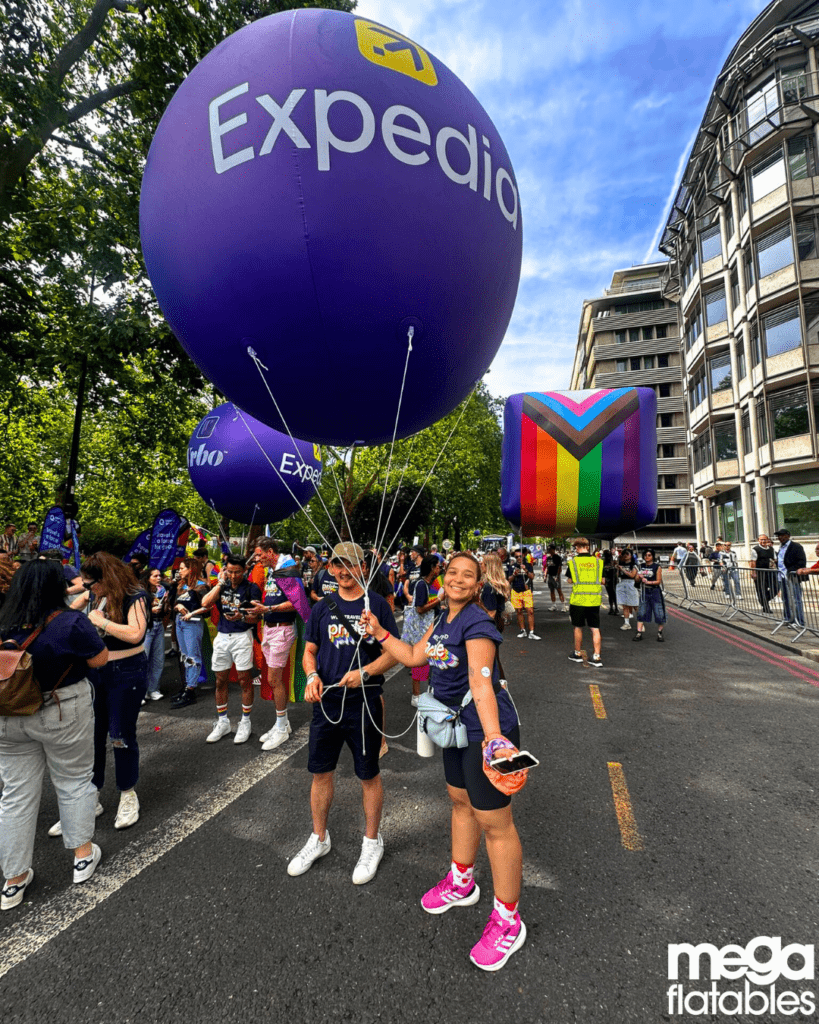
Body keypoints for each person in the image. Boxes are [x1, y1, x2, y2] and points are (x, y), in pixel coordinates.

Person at [362, 551, 527, 972]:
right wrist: (381, 631)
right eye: (451, 572)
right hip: (454, 727)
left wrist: (494, 742)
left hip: (483, 730)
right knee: (459, 801)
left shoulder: (476, 623)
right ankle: (462, 880)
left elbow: (481, 682)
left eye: (466, 575)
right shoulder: (443, 620)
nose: (456, 579)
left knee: (495, 823)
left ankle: (509, 922)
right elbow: (417, 657)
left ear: (477, 585)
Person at [0, 561, 110, 910]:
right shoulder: (70, 621)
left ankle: (13, 879)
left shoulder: (4, 620)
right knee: (74, 780)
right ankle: (81, 857)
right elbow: (99, 660)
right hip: (61, 707)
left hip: (9, 714)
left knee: (15, 795)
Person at [286, 543, 398, 885]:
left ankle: (371, 841)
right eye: (338, 564)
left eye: (351, 564)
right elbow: (309, 651)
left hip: (364, 702)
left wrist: (364, 673)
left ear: (362, 566)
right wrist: (313, 676)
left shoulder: (377, 605)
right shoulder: (321, 609)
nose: (344, 570)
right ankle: (319, 838)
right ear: (331, 568)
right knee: (321, 773)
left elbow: (393, 653)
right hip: (328, 705)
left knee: (368, 774)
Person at [62, 551, 148, 832]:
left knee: (120, 734)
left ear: (105, 578)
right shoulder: (96, 596)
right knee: (92, 736)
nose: (87, 589)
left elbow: (136, 634)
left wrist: (101, 622)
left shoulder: (135, 595)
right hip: (96, 673)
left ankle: (127, 792)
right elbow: (72, 611)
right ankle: (91, 796)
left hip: (126, 672)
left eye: (90, 584)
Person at [199, 555, 262, 744]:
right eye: (230, 571)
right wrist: (219, 584)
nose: (233, 576)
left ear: (244, 571)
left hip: (242, 636)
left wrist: (241, 618)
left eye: (237, 572)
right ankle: (223, 721)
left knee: (244, 679)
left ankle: (245, 721)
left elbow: (256, 617)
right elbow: (205, 603)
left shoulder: (252, 588)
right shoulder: (222, 585)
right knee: (220, 680)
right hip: (222, 636)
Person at [252, 538, 301, 751]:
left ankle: (281, 728)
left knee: (273, 679)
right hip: (270, 628)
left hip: (282, 628)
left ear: (270, 552)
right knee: (272, 680)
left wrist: (268, 610)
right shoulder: (274, 571)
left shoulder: (287, 570)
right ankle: (283, 723)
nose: (256, 559)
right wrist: (261, 609)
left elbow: (297, 602)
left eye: (258, 554)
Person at [169, 556, 209, 708]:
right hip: (180, 622)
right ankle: (187, 685)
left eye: (182, 568)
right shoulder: (181, 585)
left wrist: (192, 613)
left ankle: (190, 690)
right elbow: (173, 603)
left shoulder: (201, 586)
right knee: (185, 655)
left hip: (193, 623)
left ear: (191, 569)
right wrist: (178, 607)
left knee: (193, 656)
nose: (179, 571)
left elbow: (208, 606)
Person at [402, 555, 442, 706]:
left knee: (430, 659)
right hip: (421, 629)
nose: (439, 569)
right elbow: (420, 609)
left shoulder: (428, 584)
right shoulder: (421, 584)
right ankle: (416, 695)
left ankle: (426, 693)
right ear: (432, 567)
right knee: (420, 661)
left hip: (427, 627)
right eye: (437, 566)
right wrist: (439, 600)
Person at [565, 538, 603, 666]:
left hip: (578, 600)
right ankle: (597, 657)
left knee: (578, 627)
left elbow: (570, 580)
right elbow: (602, 580)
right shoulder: (598, 562)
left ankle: (577, 654)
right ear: (588, 546)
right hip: (594, 600)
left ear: (577, 547)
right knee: (595, 628)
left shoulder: (573, 562)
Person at [140, 567, 167, 702]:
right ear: (148, 578)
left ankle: (153, 689)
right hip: (147, 626)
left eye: (159, 575)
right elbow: (137, 610)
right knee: (144, 659)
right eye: (155, 576)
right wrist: (151, 610)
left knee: (158, 659)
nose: (158, 578)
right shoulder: (141, 592)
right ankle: (141, 692)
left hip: (159, 625)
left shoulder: (162, 591)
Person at [775, 529, 806, 626]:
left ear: (788, 536)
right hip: (782, 577)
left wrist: (791, 571)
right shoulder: (781, 547)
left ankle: (799, 621)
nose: (780, 537)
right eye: (779, 536)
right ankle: (788, 618)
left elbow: (801, 561)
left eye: (782, 535)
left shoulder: (796, 546)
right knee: (785, 599)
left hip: (792, 577)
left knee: (796, 599)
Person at [633, 548, 666, 641]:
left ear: (652, 556)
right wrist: (639, 577)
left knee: (659, 612)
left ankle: (660, 633)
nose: (647, 557)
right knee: (641, 612)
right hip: (644, 591)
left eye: (649, 555)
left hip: (655, 592)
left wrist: (648, 582)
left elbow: (658, 581)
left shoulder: (657, 567)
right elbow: (636, 580)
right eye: (645, 555)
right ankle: (639, 633)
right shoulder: (640, 566)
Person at [508, 549, 540, 640]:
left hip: (526, 591)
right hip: (516, 591)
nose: (518, 558)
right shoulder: (512, 566)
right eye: (516, 556)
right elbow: (509, 580)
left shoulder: (528, 565)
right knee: (519, 611)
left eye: (520, 556)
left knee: (530, 611)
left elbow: (532, 577)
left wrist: (525, 570)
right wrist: (514, 574)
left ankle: (532, 632)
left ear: (523, 557)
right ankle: (523, 630)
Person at [750, 534, 778, 613]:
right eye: (761, 539)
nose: (763, 541)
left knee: (776, 588)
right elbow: (753, 561)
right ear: (758, 540)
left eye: (765, 539)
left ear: (768, 540)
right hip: (760, 573)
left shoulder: (771, 549)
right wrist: (753, 572)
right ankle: (766, 607)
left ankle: (763, 599)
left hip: (771, 572)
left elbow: (775, 559)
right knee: (762, 589)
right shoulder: (755, 549)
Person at [615, 549, 639, 630]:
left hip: (631, 584)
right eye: (624, 554)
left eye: (627, 554)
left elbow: (632, 575)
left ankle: (640, 622)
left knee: (635, 604)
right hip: (622, 583)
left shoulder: (634, 565)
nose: (625, 556)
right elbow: (618, 575)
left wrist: (622, 569)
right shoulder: (621, 564)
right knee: (624, 605)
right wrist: (618, 569)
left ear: (631, 555)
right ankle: (626, 623)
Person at [544, 544, 567, 612]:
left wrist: (557, 576)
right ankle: (554, 605)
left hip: (556, 576)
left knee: (559, 590)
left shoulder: (557, 557)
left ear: (553, 550)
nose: (548, 551)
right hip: (550, 576)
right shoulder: (548, 558)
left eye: (550, 550)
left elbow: (560, 568)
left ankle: (563, 606)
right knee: (551, 591)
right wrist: (545, 576)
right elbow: (547, 567)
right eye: (548, 550)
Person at [601, 549, 618, 615]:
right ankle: (614, 608)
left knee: (611, 594)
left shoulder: (605, 561)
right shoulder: (611, 561)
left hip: (609, 579)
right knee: (613, 593)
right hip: (611, 578)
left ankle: (613, 608)